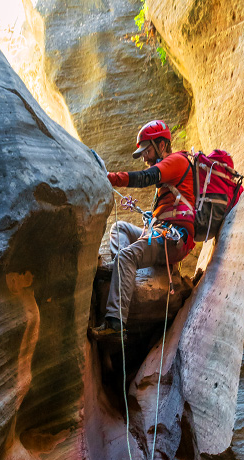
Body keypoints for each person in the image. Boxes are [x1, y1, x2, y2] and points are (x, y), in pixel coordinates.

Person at [90, 119, 195, 340]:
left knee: (128, 256)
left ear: (162, 145)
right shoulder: (170, 172)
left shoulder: (177, 161)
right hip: (160, 232)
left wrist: (109, 178)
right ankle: (122, 271)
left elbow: (144, 178)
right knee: (120, 228)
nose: (145, 158)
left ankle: (115, 323)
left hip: (172, 240)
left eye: (147, 151)